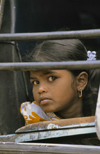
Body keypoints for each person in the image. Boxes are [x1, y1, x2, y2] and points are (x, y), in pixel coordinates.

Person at [20, 39, 99, 125]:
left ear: (80, 81)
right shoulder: (34, 117)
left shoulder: (97, 112)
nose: (40, 89)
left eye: (52, 78)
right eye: (35, 82)